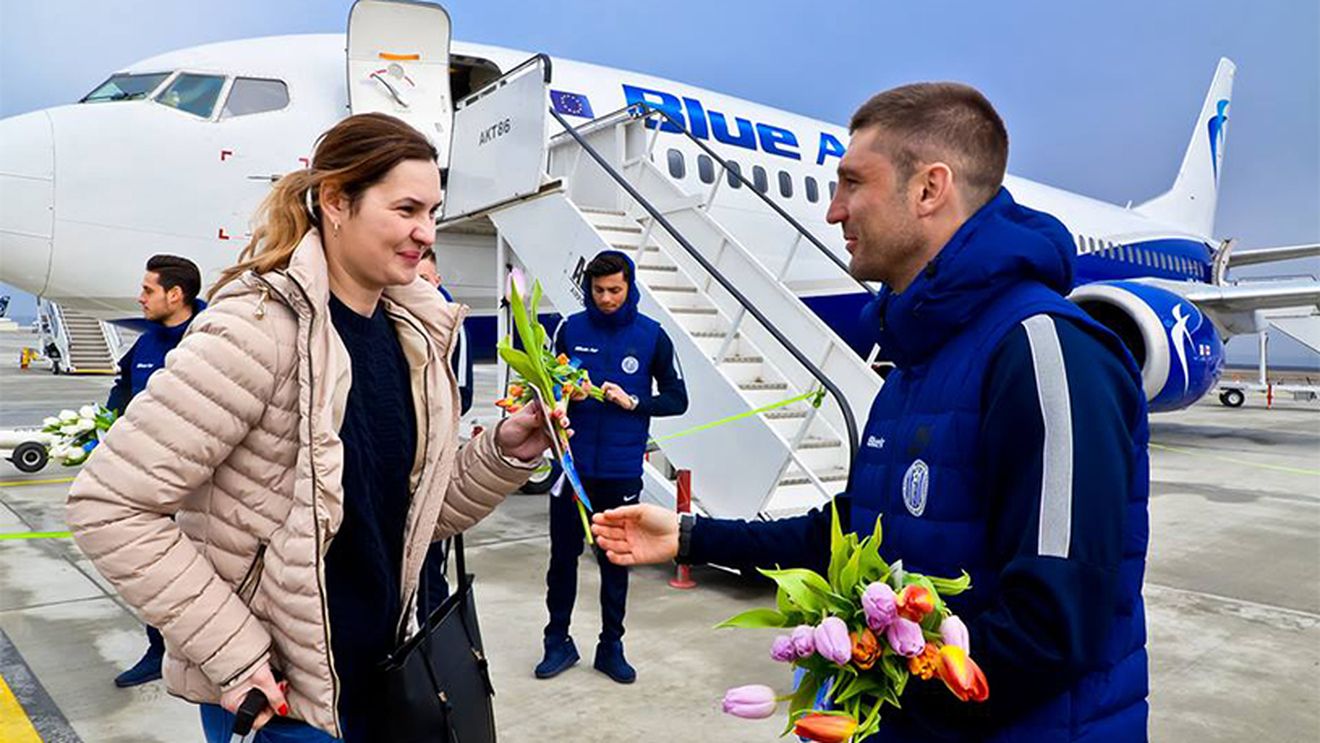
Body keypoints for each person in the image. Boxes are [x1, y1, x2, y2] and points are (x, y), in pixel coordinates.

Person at [591, 83, 1150, 742]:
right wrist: (690, 536)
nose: (833, 211)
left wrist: (870, 684)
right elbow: (857, 531)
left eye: (852, 183)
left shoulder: (1046, 350)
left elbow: (1051, 628)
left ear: (929, 189)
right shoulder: (915, 362)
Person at [67, 113, 557, 742]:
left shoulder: (411, 336)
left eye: (433, 211)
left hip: (379, 676)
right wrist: (236, 657)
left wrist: (500, 454)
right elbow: (109, 505)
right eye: (406, 209)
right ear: (334, 201)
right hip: (282, 704)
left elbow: (406, 518)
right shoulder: (256, 330)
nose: (426, 233)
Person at [535, 250, 688, 684]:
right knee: (561, 557)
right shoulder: (569, 329)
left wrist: (634, 401)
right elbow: (545, 389)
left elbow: (678, 399)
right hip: (571, 466)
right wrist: (566, 393)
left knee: (614, 561)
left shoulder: (652, 336)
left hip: (620, 470)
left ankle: (611, 646)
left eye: (615, 290)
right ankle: (557, 641)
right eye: (599, 290)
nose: (606, 298)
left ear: (630, 286)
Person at [105, 253, 204, 688]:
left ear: (175, 294)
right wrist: (106, 429)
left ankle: (205, 652)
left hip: (202, 490)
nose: (140, 297)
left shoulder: (211, 338)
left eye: (148, 290)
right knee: (152, 573)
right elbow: (122, 388)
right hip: (150, 484)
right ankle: (159, 649)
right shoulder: (146, 341)